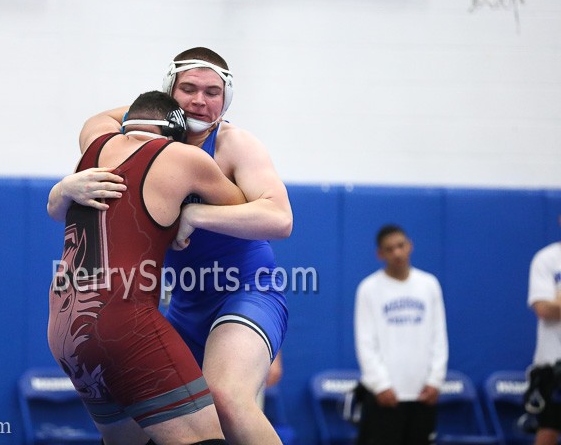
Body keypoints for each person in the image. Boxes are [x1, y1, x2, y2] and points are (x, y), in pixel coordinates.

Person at [48, 47, 293, 444]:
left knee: (226, 398)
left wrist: (196, 216)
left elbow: (280, 219)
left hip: (245, 289)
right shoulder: (144, 140)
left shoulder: (234, 144)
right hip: (183, 302)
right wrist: (64, 187)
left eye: (212, 92)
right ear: (168, 93)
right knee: (144, 427)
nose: (199, 100)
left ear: (226, 100)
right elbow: (96, 123)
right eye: (189, 89)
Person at [353, 224, 449, 445]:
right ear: (380, 254)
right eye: (389, 249)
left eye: (400, 246)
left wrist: (436, 380)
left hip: (422, 394)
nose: (396, 252)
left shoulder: (429, 285)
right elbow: (365, 342)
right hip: (384, 396)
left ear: (410, 246)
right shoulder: (368, 288)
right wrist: (381, 384)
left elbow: (439, 336)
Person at [527, 214, 561, 445]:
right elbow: (544, 309)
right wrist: (553, 305)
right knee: (548, 430)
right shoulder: (547, 259)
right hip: (554, 364)